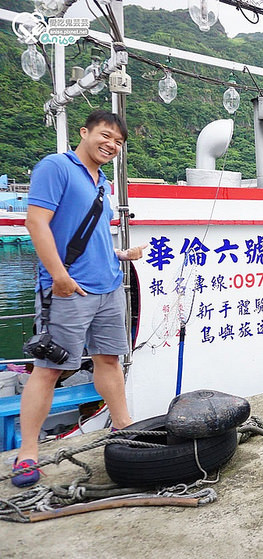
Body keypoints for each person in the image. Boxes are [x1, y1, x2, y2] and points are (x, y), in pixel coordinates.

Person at [12, 110, 145, 488]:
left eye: (119, 142)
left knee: (109, 360)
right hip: (67, 290)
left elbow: (86, 234)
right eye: (105, 136)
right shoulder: (57, 166)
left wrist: (121, 257)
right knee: (49, 368)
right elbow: (36, 222)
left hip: (107, 287)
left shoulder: (100, 181)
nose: (111, 145)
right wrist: (59, 276)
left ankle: (123, 427)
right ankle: (28, 452)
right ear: (84, 133)